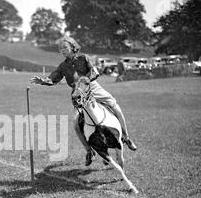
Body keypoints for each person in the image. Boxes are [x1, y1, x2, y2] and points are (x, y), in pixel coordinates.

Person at [30, 36, 137, 166]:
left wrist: (84, 82)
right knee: (76, 124)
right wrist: (43, 81)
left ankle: (126, 137)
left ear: (72, 47)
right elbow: (54, 78)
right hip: (77, 94)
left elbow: (94, 72)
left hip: (93, 87)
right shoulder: (63, 66)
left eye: (64, 47)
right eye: (60, 49)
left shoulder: (84, 58)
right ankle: (89, 151)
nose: (62, 50)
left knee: (115, 107)